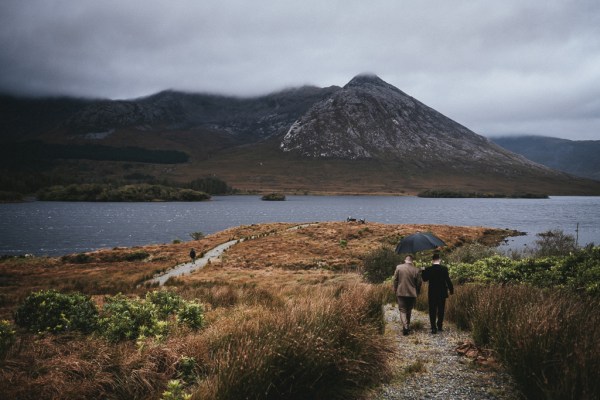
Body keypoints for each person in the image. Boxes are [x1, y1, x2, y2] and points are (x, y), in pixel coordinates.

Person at [422, 253, 454, 334]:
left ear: (432, 260)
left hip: (432, 292)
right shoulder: (444, 269)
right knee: (441, 309)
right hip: (442, 292)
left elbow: (424, 279)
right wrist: (451, 290)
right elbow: (448, 280)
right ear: (439, 260)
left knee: (432, 310)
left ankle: (433, 328)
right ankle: (439, 325)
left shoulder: (428, 269)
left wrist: (423, 270)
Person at [393, 254, 422, 335]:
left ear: (405, 260)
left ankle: (405, 327)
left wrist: (395, 289)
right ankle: (407, 326)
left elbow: (395, 280)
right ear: (412, 261)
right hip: (412, 293)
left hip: (401, 292)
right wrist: (417, 291)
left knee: (402, 310)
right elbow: (419, 283)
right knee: (409, 310)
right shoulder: (416, 270)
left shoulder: (399, 267)